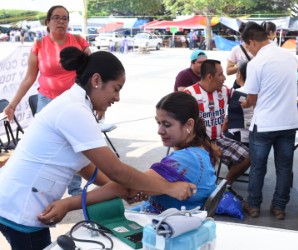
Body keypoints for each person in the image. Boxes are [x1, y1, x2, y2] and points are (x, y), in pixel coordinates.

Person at [0, 47, 196, 250]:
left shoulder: (76, 106)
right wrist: (169, 188)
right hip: (21, 206)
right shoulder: (74, 110)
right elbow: (116, 170)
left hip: (18, 199)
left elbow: (86, 167)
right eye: (116, 88)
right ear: (96, 81)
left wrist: (121, 188)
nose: (117, 97)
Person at [43, 92, 219, 216]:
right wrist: (149, 188)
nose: (159, 130)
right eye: (158, 123)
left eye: (167, 124)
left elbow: (126, 185)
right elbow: (134, 185)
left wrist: (67, 203)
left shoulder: (184, 160)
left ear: (188, 124)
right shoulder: (201, 151)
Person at [4, 5, 91, 197]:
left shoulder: (78, 41)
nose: (61, 21)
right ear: (48, 21)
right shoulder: (39, 45)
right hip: (47, 101)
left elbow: (94, 72)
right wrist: (12, 104)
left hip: (74, 103)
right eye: (56, 18)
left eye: (65, 18)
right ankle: (43, 189)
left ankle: (75, 191)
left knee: (74, 144)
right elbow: (29, 78)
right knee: (47, 146)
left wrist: (97, 102)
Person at [240, 22, 298, 220]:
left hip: (265, 124)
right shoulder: (290, 57)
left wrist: (243, 103)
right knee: (284, 167)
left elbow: (252, 99)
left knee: (258, 167)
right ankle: (279, 207)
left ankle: (254, 206)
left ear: (252, 42)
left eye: (247, 46)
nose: (249, 50)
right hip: (289, 123)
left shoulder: (256, 63)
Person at [185, 59, 251, 197]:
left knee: (249, 156)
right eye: (221, 74)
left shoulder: (224, 91)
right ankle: (206, 194)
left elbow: (246, 96)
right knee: (206, 169)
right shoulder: (189, 94)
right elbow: (182, 125)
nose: (225, 78)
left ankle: (223, 187)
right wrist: (205, 144)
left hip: (219, 140)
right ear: (210, 77)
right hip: (196, 142)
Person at [225, 62, 254, 144]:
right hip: (257, 135)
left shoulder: (237, 93)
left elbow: (228, 119)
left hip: (240, 136)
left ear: (239, 74)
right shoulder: (261, 91)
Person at [226, 22, 254, 89]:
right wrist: (241, 66)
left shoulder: (260, 49)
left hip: (256, 83)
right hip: (241, 84)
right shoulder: (236, 50)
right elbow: (228, 71)